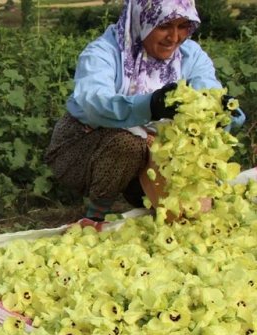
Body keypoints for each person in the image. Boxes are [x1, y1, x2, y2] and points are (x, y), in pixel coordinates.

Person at [45, 0, 246, 221]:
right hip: (83, 145)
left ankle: (141, 193)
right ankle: (96, 214)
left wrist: (219, 111)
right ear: (143, 20)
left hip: (150, 150)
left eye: (183, 26)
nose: (174, 37)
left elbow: (207, 90)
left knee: (186, 204)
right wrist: (150, 105)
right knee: (128, 143)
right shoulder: (104, 52)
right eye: (164, 26)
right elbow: (93, 103)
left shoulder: (190, 55)